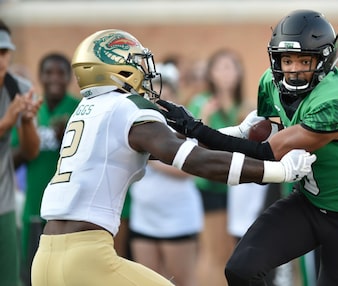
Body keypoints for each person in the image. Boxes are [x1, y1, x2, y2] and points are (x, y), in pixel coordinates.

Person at [30, 29, 316, 286]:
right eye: (136, 63)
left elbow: (173, 144)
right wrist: (278, 171)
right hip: (86, 257)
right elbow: (194, 159)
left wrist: (237, 133)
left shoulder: (89, 109)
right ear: (117, 68)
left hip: (44, 258)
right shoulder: (126, 107)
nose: (145, 71)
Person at [158, 9, 338, 286]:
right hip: (308, 202)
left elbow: (268, 152)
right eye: (287, 59)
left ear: (325, 59)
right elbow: (267, 130)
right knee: (241, 269)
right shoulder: (271, 81)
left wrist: (194, 129)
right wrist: (229, 132)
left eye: (305, 60)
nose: (292, 69)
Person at [129, 62, 203, 286]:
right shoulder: (134, 125)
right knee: (148, 281)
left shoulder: (184, 126)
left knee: (181, 281)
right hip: (143, 217)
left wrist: (151, 159)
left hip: (178, 218)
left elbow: (188, 170)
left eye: (163, 94)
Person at [11, 52, 80, 285]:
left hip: (71, 211)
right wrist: (32, 142)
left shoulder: (80, 109)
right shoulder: (30, 111)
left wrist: (67, 140)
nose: (55, 78)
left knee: (67, 276)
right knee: (33, 275)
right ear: (40, 76)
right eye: (49, 72)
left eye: (61, 73)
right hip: (35, 207)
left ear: (70, 77)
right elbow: (12, 160)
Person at [186, 48, 246, 286]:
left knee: (231, 251)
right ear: (210, 73)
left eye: (230, 67)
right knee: (214, 251)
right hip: (211, 185)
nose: (226, 73)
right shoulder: (202, 103)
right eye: (220, 67)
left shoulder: (244, 106)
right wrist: (206, 118)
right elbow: (197, 145)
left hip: (238, 187)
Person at [0, 19, 41, 286]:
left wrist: (25, 121)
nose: (1, 60)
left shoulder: (19, 89)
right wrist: (6, 122)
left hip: (3, 206)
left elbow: (30, 151)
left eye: (3, 52)